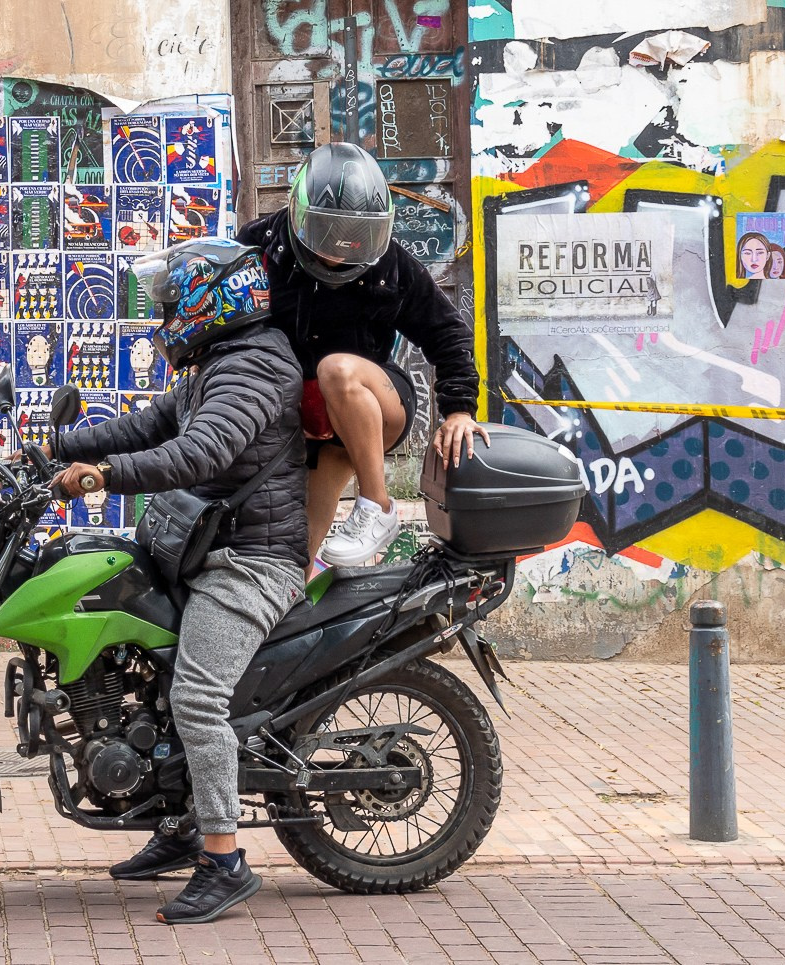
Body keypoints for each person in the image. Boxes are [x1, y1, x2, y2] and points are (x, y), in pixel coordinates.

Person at [51, 238, 306, 926]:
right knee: (145, 670)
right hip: (205, 549)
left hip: (252, 560)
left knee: (195, 695)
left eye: (171, 303)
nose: (164, 315)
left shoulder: (254, 366)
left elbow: (200, 451)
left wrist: (104, 476)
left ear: (210, 301)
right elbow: (149, 425)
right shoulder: (212, 364)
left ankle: (223, 858)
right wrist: (57, 447)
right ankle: (183, 821)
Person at [236, 143, 485, 569]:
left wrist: (459, 410)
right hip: (307, 424)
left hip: (374, 403)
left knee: (337, 368)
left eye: (353, 235)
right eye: (326, 231)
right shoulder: (258, 246)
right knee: (291, 564)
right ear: (298, 211)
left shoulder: (392, 264)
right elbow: (221, 325)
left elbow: (446, 331)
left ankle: (377, 505)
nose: (338, 250)